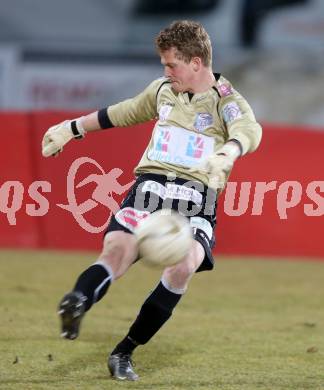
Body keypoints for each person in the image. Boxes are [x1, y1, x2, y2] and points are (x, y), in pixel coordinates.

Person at [42, 20, 262, 381]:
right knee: (116, 251)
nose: (165, 71)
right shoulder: (162, 91)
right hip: (150, 188)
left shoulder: (227, 102)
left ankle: (124, 352)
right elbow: (124, 111)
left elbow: (249, 131)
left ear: (196, 62)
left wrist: (229, 152)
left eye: (171, 64)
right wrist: (73, 128)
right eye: (163, 64)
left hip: (195, 197)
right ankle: (77, 302)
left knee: (184, 264)